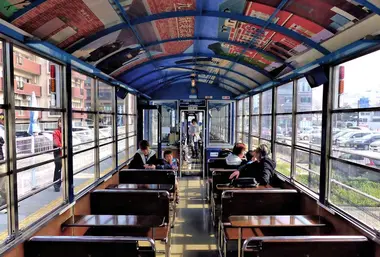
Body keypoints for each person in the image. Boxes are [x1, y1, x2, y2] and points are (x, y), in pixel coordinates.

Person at [53, 118, 63, 192]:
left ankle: (68, 183)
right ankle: (56, 184)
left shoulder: (66, 131)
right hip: (58, 153)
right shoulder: (56, 132)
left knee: (66, 168)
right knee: (58, 168)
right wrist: (63, 146)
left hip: (64, 152)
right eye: (60, 122)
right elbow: (56, 143)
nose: (62, 123)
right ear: (58, 123)